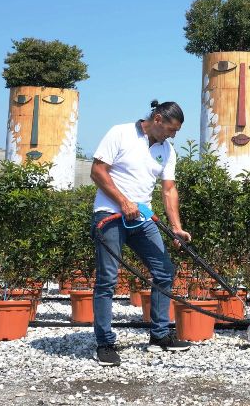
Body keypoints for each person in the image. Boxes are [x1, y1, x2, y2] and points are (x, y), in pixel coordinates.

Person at [89, 100, 192, 366]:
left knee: (164, 271)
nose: (173, 135)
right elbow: (97, 171)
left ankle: (159, 335)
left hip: (142, 219)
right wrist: (123, 202)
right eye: (171, 129)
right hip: (109, 216)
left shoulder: (167, 150)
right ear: (157, 119)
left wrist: (176, 228)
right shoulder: (120, 133)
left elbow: (168, 190)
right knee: (107, 280)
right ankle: (104, 343)